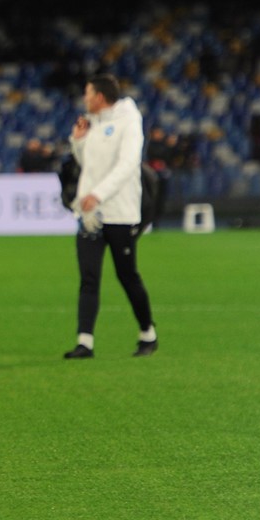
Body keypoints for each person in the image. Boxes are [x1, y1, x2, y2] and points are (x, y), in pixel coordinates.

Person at [65, 74, 157, 359]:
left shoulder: (129, 121)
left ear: (100, 97)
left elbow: (128, 164)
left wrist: (99, 194)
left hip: (120, 213)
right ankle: (85, 342)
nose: (84, 98)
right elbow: (89, 165)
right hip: (91, 214)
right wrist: (77, 141)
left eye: (88, 93)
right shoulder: (93, 123)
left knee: (127, 275)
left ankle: (148, 333)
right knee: (89, 277)